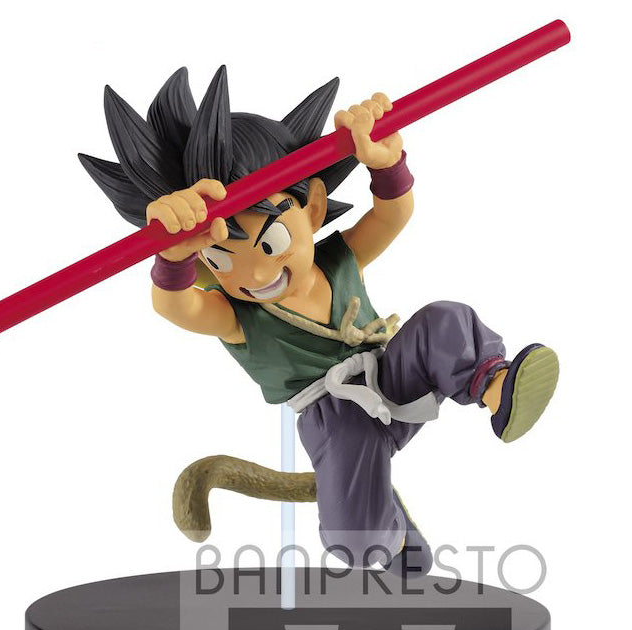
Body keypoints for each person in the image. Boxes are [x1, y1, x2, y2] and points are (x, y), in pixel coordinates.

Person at [80, 66, 559, 577]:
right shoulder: (236, 315)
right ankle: (393, 545)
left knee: (444, 320)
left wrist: (386, 163)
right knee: (357, 532)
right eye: (221, 258)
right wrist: (173, 256)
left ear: (311, 207)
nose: (257, 274)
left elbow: (392, 214)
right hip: (336, 422)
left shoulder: (336, 259)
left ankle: (496, 387)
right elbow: (175, 306)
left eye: (271, 242)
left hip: (394, 377)